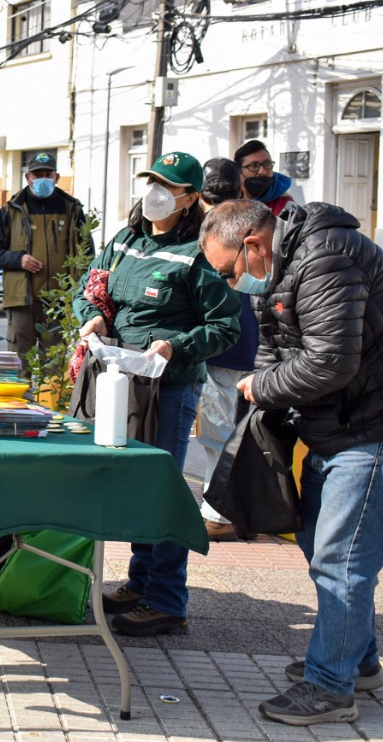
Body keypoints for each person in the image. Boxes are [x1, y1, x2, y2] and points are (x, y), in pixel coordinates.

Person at [200, 199, 383, 727]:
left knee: (341, 561)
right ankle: (357, 662)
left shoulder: (324, 256)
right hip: (334, 430)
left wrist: (260, 388)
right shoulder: (283, 263)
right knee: (323, 548)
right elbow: (272, 350)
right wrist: (265, 389)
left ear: (253, 244)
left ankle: (330, 687)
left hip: (373, 432)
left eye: (229, 271)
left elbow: (329, 360)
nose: (231, 284)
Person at [76, 151, 240, 637]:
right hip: (119, 379)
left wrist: (178, 345)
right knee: (131, 485)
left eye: (167, 185)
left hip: (168, 388)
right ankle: (140, 580)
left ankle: (167, 600)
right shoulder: (125, 240)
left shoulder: (201, 251)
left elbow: (225, 327)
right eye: (151, 181)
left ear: (190, 198)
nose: (155, 192)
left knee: (161, 488)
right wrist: (96, 314)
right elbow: (91, 286)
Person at [193, 158, 257, 542]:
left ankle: (220, 512)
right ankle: (236, 508)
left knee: (219, 435)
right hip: (251, 347)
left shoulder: (206, 232)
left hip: (222, 350)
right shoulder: (255, 225)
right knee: (238, 434)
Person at [0, 150, 89, 363]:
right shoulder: (11, 210)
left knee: (54, 365)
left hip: (59, 302)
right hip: (22, 301)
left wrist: (78, 294)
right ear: (28, 177)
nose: (42, 178)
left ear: (56, 178)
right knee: (19, 363)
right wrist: (18, 259)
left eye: (47, 174)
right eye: (37, 174)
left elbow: (86, 253)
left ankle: (47, 398)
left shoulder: (72, 209)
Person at [235, 139, 295, 216]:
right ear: (238, 171)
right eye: (254, 166)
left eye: (267, 164)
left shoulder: (286, 206)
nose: (262, 172)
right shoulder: (228, 202)